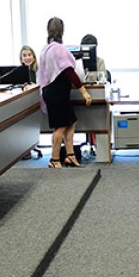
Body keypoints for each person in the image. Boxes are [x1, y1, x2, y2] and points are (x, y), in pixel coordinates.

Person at [38, 17, 92, 168]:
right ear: (62, 30)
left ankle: (70, 155)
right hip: (57, 92)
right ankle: (54, 159)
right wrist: (84, 92)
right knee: (60, 126)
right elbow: (69, 71)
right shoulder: (59, 49)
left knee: (71, 121)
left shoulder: (45, 49)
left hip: (50, 90)